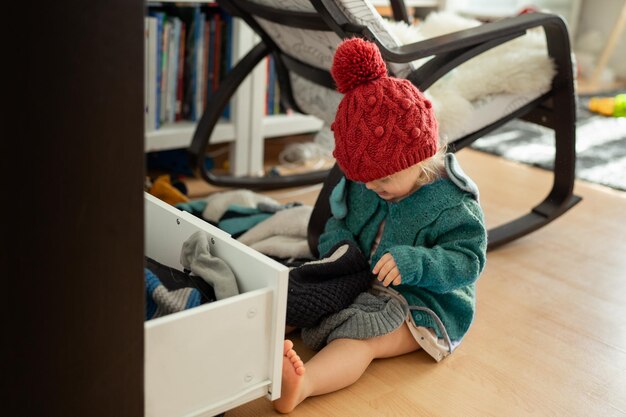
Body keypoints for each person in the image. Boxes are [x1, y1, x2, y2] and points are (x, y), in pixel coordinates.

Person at [273, 37, 488, 414]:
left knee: (362, 334)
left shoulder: (453, 203)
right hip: (359, 279)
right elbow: (337, 224)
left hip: (421, 303)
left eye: (381, 179)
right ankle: (260, 337)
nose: (371, 187)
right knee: (301, 296)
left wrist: (415, 263)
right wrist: (339, 246)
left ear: (420, 157)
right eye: (363, 179)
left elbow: (468, 261)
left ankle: (304, 385)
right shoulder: (366, 183)